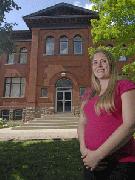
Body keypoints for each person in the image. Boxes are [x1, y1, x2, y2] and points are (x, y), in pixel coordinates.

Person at [77, 48, 135, 180]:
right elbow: (82, 122)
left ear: (112, 65)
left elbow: (130, 124)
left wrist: (98, 155)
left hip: (119, 164)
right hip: (90, 163)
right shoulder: (89, 93)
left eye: (103, 61)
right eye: (95, 62)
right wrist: (84, 151)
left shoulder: (124, 85)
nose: (99, 65)